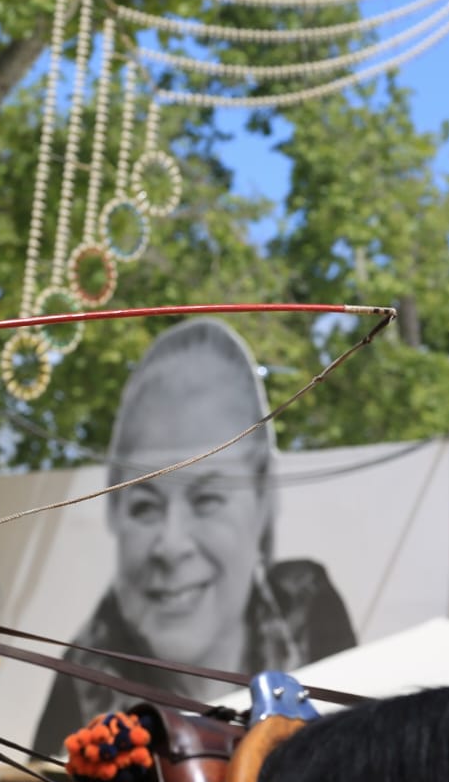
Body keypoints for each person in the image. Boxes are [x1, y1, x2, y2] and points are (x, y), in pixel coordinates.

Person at [32, 319, 356, 754]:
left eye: (207, 499)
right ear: (113, 511)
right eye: (145, 506)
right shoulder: (81, 683)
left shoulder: (308, 613)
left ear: (264, 499)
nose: (171, 545)